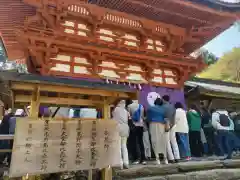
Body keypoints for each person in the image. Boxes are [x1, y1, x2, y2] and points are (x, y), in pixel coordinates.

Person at [147, 98, 168, 165]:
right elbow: (166, 118)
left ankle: (157, 159)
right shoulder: (164, 109)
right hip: (162, 125)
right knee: (162, 141)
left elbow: (148, 119)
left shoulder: (150, 109)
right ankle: (165, 159)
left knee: (154, 141)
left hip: (153, 125)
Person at [127, 100, 147, 165]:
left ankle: (136, 159)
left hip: (133, 126)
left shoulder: (129, 106)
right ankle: (143, 159)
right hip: (141, 125)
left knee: (134, 142)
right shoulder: (141, 106)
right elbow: (143, 117)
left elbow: (128, 117)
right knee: (141, 142)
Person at [162, 95, 180, 163]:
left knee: (167, 142)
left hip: (166, 125)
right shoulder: (173, 107)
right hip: (173, 125)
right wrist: (172, 124)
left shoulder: (162, 107)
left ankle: (171, 158)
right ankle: (177, 157)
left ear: (163, 99)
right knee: (174, 141)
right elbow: (174, 117)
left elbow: (163, 117)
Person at [112, 100, 129, 169]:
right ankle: (126, 162)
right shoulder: (126, 111)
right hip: (125, 128)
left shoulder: (116, 109)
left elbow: (113, 118)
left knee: (118, 146)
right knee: (124, 146)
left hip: (118, 128)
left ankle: (120, 163)